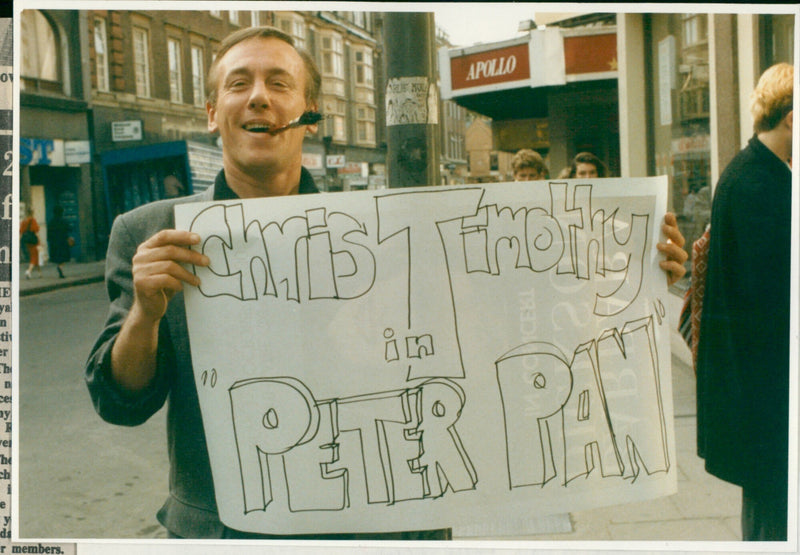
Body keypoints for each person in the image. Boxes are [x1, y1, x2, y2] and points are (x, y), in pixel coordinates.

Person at [85, 25, 688, 540]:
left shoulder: (392, 232)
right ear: (213, 113)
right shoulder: (149, 234)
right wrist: (145, 313)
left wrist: (630, 270)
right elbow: (121, 402)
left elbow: (504, 329)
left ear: (310, 117)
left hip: (378, 526)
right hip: (227, 531)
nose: (259, 99)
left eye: (280, 83)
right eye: (239, 84)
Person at [695, 63, 793, 541]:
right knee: (773, 520)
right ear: (791, 119)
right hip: (767, 398)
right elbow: (771, 303)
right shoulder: (760, 185)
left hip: (762, 396)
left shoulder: (757, 172)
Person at [47, 204, 72, 279]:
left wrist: (49, 240)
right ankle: (60, 267)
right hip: (63, 241)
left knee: (57, 256)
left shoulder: (51, 221)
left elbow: (49, 233)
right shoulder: (63, 220)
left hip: (54, 242)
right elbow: (69, 228)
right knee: (64, 256)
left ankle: (59, 266)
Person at [20, 206, 41, 279]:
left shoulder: (23, 221)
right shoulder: (33, 220)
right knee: (34, 256)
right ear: (32, 213)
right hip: (33, 241)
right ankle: (28, 271)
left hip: (26, 241)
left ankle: (39, 273)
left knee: (35, 255)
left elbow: (21, 231)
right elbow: (36, 230)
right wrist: (39, 241)